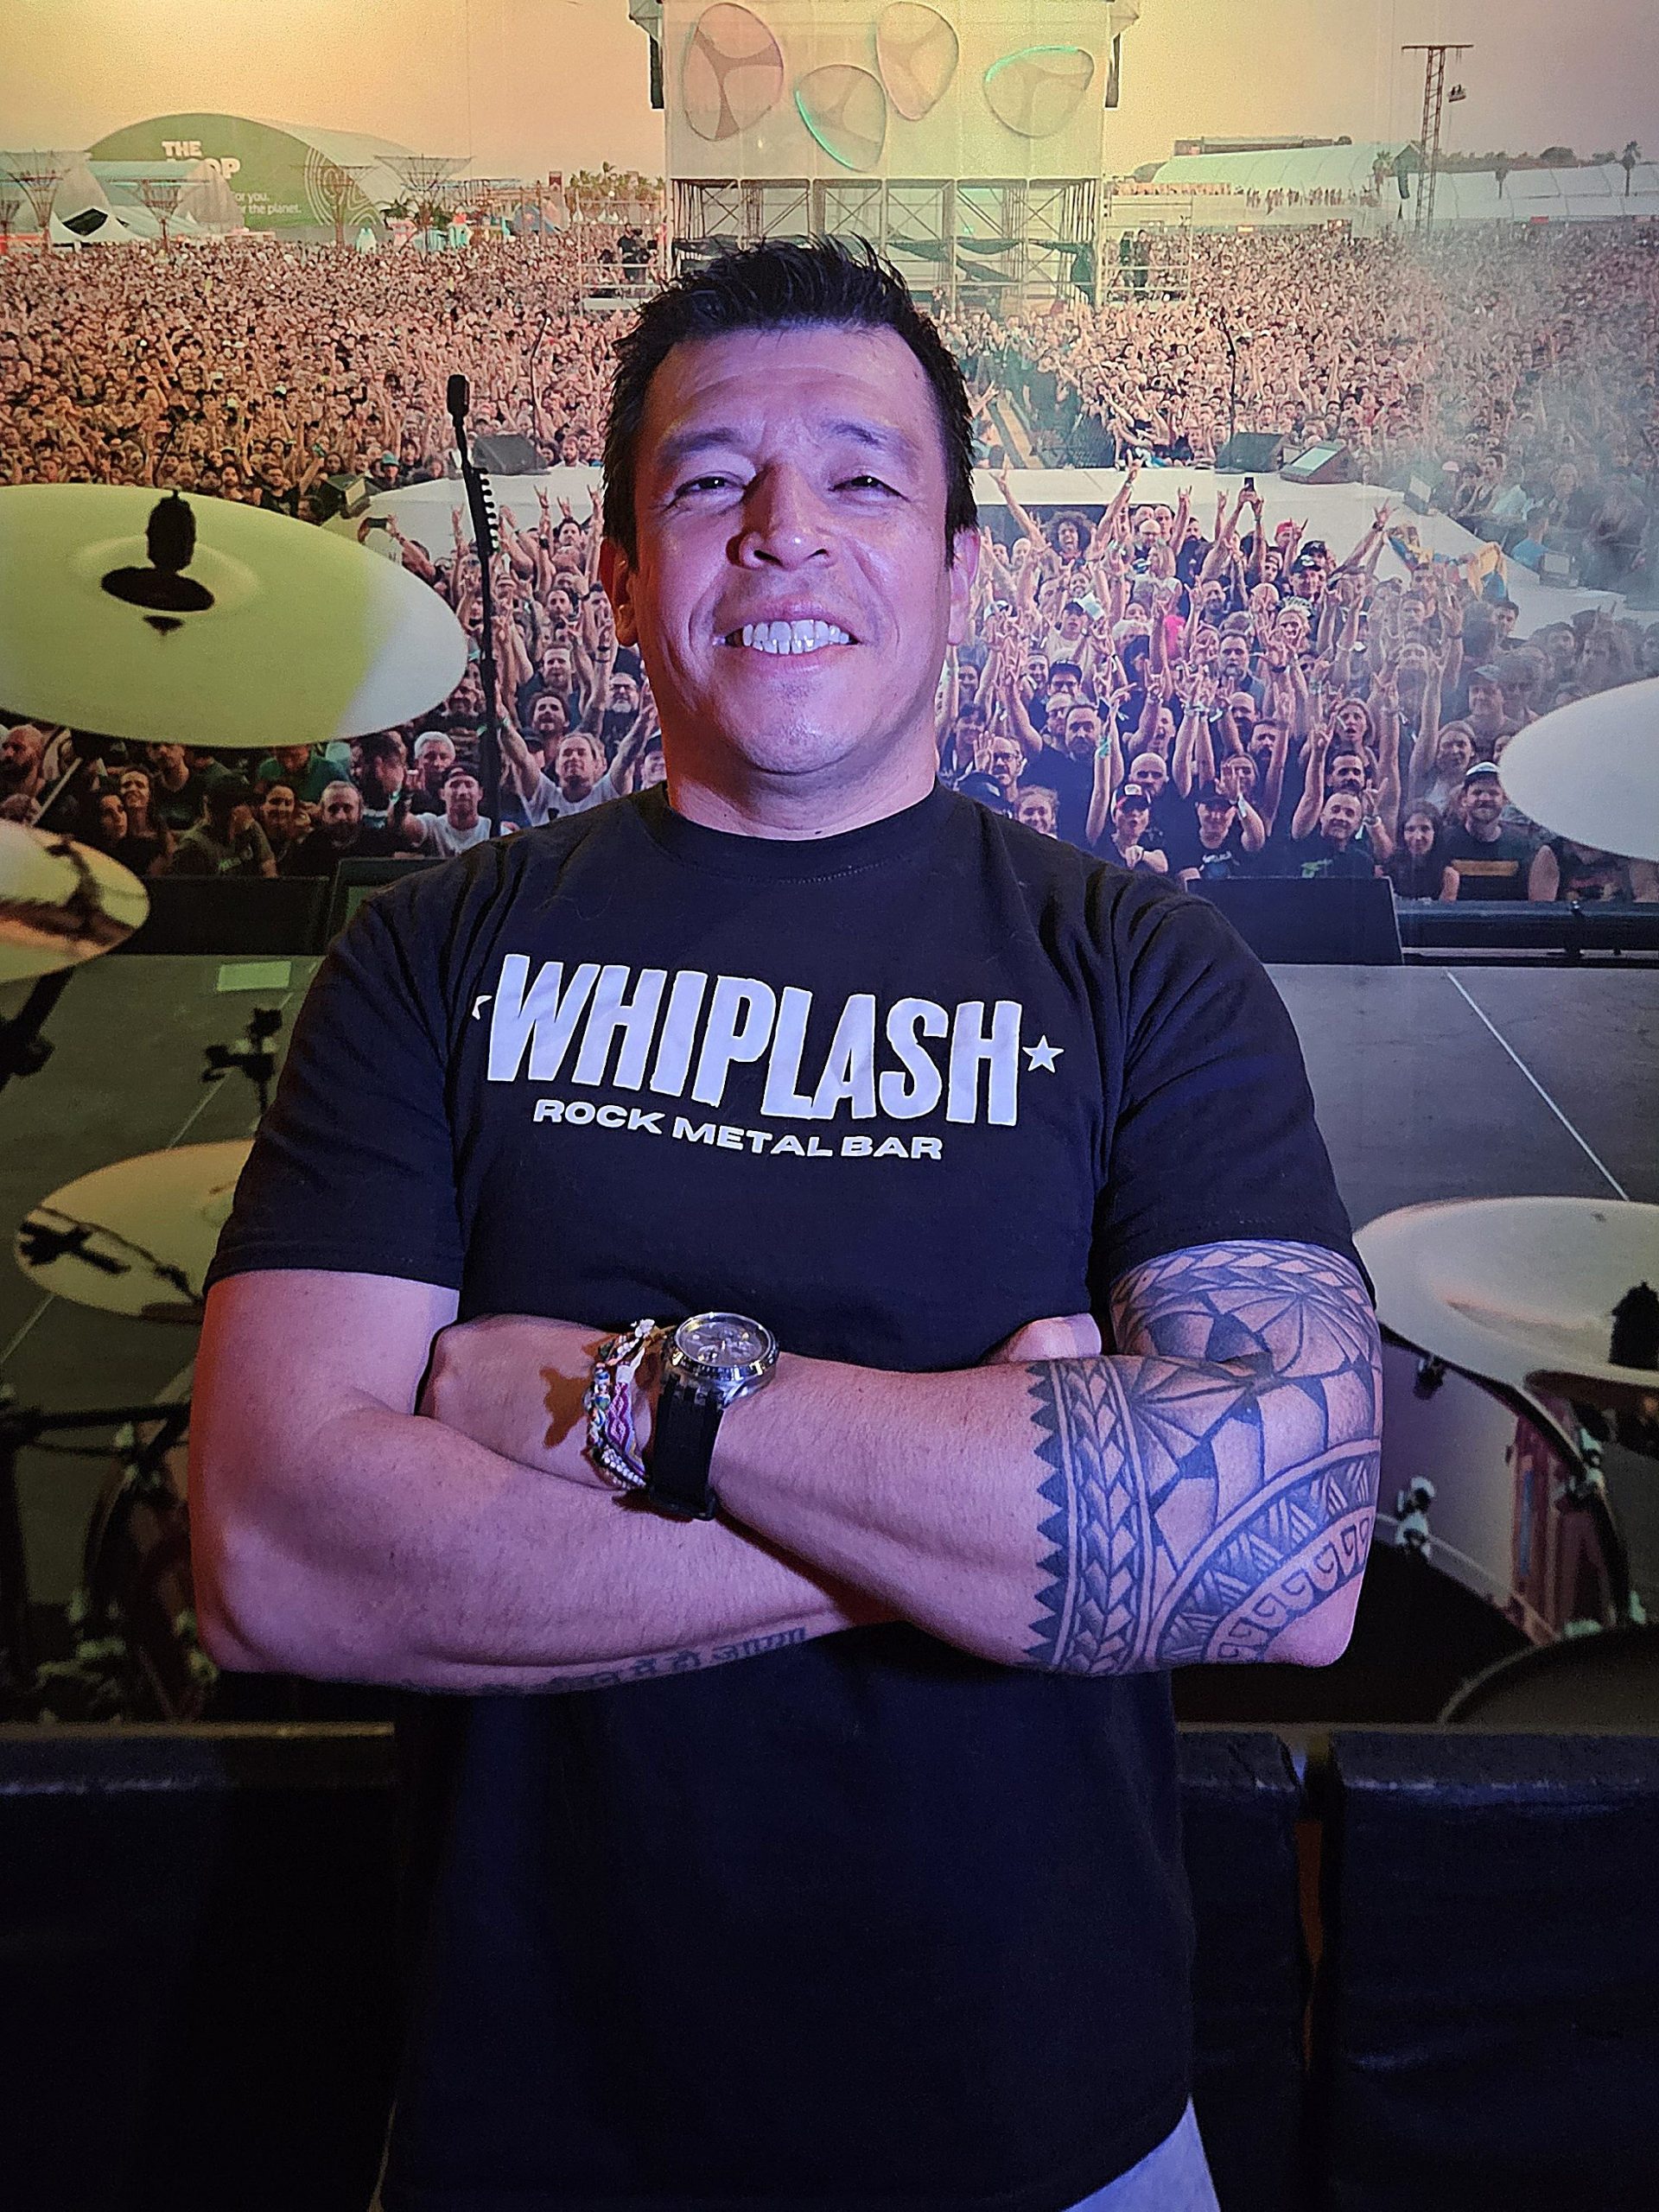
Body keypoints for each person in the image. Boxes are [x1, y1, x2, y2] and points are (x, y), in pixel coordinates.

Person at [192, 240, 1379, 2212]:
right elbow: (275, 1553)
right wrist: (991, 1507)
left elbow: (1290, 1546)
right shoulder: (429, 961)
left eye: (860, 476)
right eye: (709, 481)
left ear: (960, 566)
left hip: (1056, 2131)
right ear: (617, 570)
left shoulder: (1141, 970)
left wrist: (658, 1405)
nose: (783, 532)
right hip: (539, 2133)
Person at [1441, 763, 1539, 900]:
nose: (1485, 798)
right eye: (1477, 793)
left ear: (1505, 799)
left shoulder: (1522, 846)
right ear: (1464, 799)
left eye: (1493, 793)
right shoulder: (1443, 843)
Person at [164, 775, 277, 878]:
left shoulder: (250, 828)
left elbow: (268, 867)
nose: (253, 810)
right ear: (235, 813)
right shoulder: (194, 847)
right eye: (248, 804)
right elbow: (190, 891)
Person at [411, 766, 493, 857]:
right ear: (442, 793)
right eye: (454, 785)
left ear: (480, 793)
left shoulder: (492, 828)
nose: (462, 792)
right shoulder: (433, 826)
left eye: (469, 785)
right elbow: (406, 827)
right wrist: (405, 796)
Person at [1385, 804, 1458, 902]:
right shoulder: (1389, 871)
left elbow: (1442, 911)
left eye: (1425, 829)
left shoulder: (1448, 876)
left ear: (1436, 833)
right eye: (1410, 829)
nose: (1418, 837)